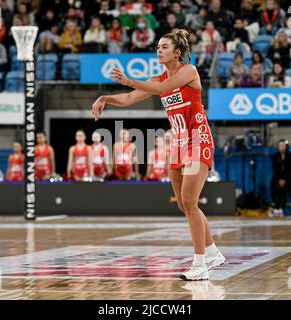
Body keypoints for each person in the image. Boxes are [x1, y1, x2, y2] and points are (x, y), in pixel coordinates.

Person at [92, 29, 226, 281]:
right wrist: (105, 97)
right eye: (157, 46)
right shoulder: (158, 77)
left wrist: (130, 80)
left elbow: (162, 87)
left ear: (177, 52)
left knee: (189, 200)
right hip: (178, 142)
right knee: (185, 204)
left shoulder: (189, 72)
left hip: (198, 138)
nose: (158, 50)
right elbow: (130, 98)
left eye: (164, 47)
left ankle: (200, 264)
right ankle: (212, 252)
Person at [270, 139, 291, 217]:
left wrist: (284, 179)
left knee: (285, 187)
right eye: (280, 146)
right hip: (277, 177)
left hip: (288, 177)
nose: (281, 147)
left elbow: (289, 168)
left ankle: (281, 207)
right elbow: (275, 169)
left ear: (286, 146)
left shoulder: (290, 155)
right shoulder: (275, 156)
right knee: (275, 186)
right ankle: (276, 207)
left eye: (283, 146)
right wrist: (279, 179)